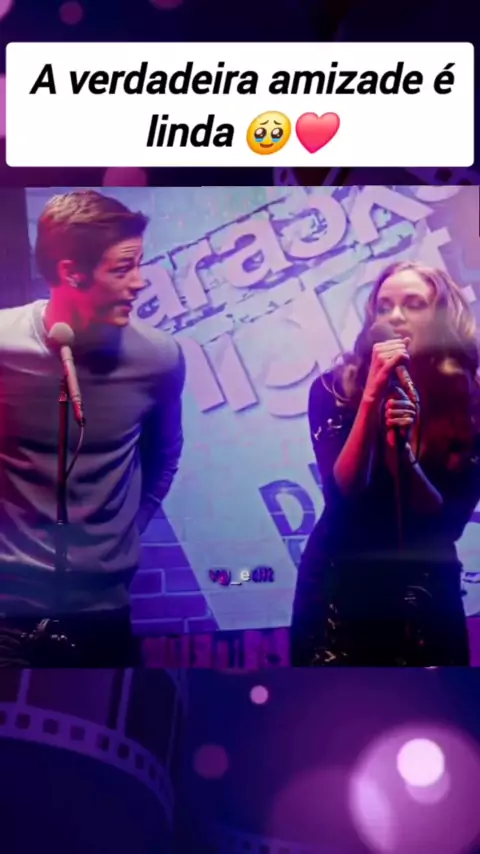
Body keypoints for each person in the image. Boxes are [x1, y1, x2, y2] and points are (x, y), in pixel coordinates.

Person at [0, 190, 185, 667]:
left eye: (139, 264)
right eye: (123, 269)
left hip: (105, 615)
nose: (139, 283)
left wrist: (126, 535)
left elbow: (164, 457)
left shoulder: (159, 358)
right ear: (71, 273)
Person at [291, 261, 480, 667]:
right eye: (384, 306)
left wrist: (402, 455)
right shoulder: (333, 389)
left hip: (427, 584)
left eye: (414, 304)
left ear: (443, 316)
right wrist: (371, 397)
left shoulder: (473, 401)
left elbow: (446, 521)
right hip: (339, 582)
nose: (395, 316)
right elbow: (343, 495)